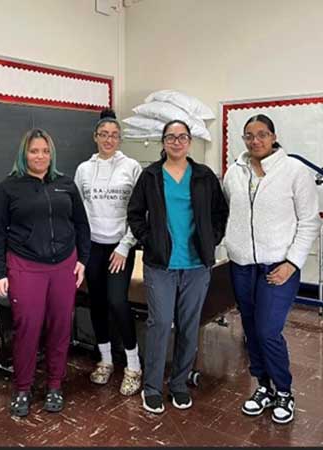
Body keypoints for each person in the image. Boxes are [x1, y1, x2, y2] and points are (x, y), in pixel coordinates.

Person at [0, 128, 91, 418]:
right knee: (28, 328)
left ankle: (55, 385)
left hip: (63, 265)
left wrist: (83, 259)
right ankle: (22, 388)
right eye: (34, 151)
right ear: (24, 154)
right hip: (25, 265)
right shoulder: (8, 188)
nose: (40, 156)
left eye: (45, 151)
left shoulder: (65, 184)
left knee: (60, 328)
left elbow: (82, 224)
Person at [223, 114, 320, 424]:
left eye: (262, 134)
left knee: (267, 331)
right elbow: (229, 211)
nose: (255, 141)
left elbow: (308, 221)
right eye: (249, 135)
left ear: (273, 136)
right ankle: (262, 387)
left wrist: (292, 263)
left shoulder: (294, 171)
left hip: (278, 266)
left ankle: (284, 390)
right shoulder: (234, 172)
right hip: (241, 266)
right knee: (251, 331)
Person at [127, 119, 228, 414]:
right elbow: (135, 214)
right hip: (161, 265)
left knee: (188, 325)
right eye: (171, 137)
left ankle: (180, 384)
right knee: (159, 325)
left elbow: (220, 213)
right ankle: (153, 387)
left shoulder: (204, 176)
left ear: (190, 142)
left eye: (182, 136)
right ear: (163, 142)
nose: (177, 141)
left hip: (197, 266)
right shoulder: (150, 176)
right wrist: (150, 241)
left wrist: (211, 239)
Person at [74, 108, 143, 396]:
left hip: (119, 248)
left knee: (118, 302)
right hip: (93, 248)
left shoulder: (132, 167)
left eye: (114, 135)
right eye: (104, 134)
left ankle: (133, 366)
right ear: (95, 137)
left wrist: (125, 246)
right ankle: (104, 361)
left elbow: (139, 212)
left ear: (120, 139)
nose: (109, 139)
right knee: (98, 304)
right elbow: (79, 211)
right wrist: (81, 249)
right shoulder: (84, 170)